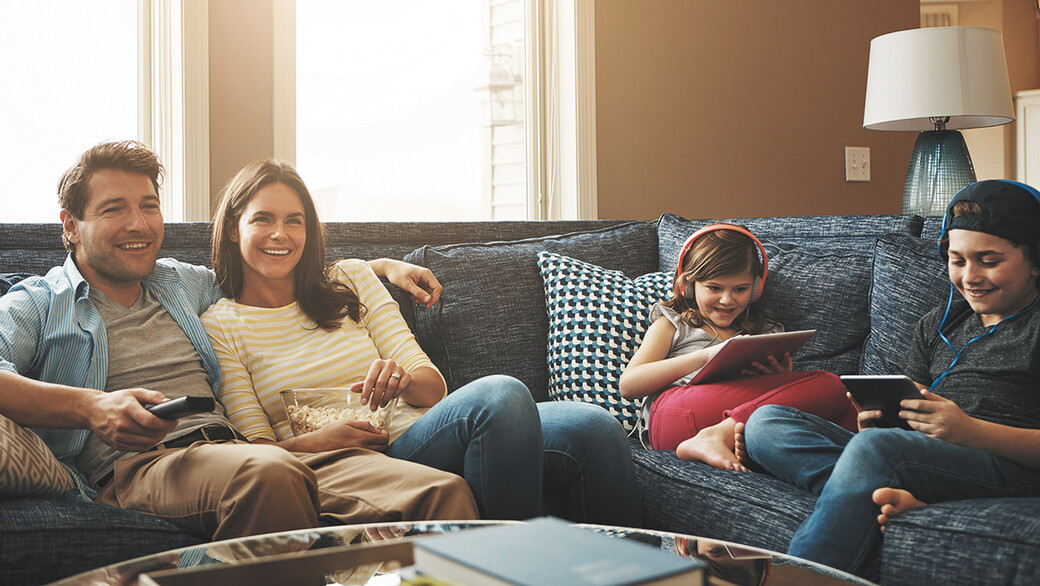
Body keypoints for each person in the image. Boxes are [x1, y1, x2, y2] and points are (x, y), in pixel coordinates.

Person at [0, 140, 479, 541]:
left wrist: (381, 269)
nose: (139, 225)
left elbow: (274, 263)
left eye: (149, 206)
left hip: (240, 453)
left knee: (444, 492)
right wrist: (91, 408)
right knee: (270, 475)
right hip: (139, 469)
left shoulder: (178, 283)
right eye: (114, 210)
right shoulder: (39, 304)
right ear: (69, 225)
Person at [200, 159, 642, 524]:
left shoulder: (350, 278)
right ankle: (509, 568)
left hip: (420, 434)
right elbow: (253, 452)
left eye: (293, 221)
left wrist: (403, 380)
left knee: (595, 428)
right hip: (351, 463)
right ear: (235, 228)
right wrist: (318, 442)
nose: (281, 234)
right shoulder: (222, 325)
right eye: (263, 219)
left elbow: (435, 389)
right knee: (502, 395)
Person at [741, 180, 1040, 576]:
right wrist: (879, 420)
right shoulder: (938, 323)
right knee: (767, 424)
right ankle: (887, 487)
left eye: (988, 260)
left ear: (1035, 259)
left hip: (1008, 466)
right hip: (923, 455)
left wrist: (969, 431)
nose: (970, 276)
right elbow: (910, 404)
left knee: (877, 451)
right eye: (957, 260)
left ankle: (803, 575)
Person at [619, 223, 857, 471]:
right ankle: (714, 437)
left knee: (845, 404)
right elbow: (629, 385)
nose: (727, 300)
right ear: (687, 285)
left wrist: (778, 380)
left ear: (755, 289)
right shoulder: (673, 325)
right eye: (714, 288)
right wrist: (707, 355)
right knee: (830, 383)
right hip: (673, 415)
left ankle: (724, 437)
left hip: (737, 422)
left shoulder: (766, 332)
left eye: (740, 289)